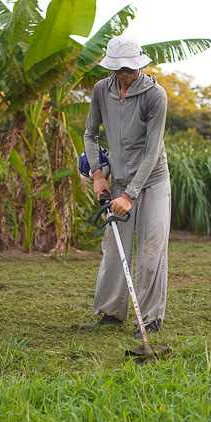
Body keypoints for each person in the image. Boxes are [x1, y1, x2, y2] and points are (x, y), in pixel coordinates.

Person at [81, 35, 170, 334]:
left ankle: (150, 320)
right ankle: (110, 314)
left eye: (130, 68)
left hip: (152, 179)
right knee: (113, 247)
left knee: (151, 247)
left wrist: (130, 195)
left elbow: (152, 150)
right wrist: (97, 175)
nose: (125, 73)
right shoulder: (101, 90)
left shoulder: (155, 95)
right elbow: (90, 134)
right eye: (118, 68)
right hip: (117, 178)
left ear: (140, 63)